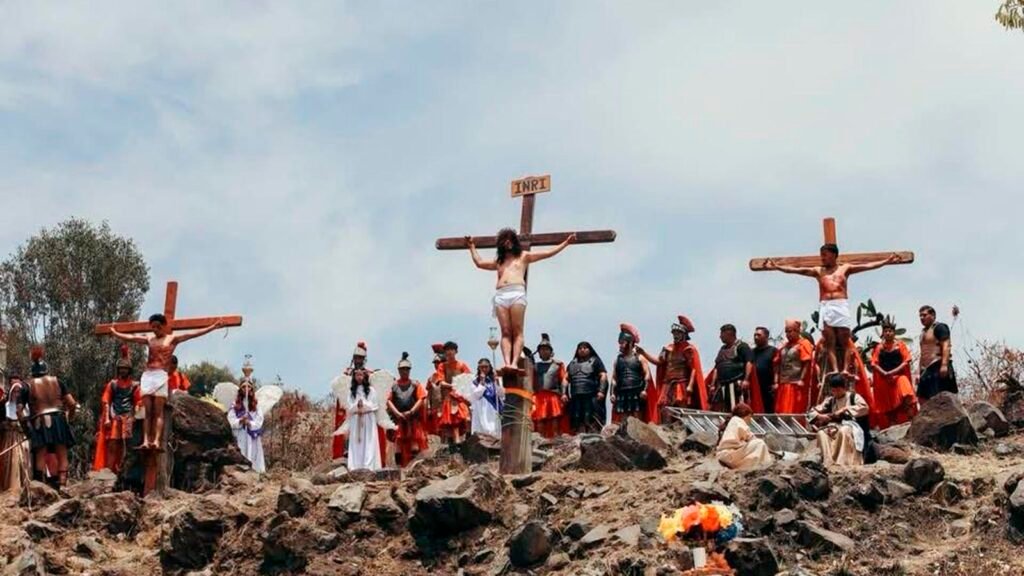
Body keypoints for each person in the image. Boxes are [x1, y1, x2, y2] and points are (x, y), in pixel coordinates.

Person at [763, 248, 901, 375]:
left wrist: (886, 261)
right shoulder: (818, 271)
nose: (822, 258)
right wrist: (777, 266)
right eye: (821, 255)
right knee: (830, 341)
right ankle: (835, 369)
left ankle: (845, 369)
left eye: (825, 255)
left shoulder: (845, 269)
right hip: (826, 305)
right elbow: (798, 270)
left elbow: (868, 266)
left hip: (840, 304)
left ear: (834, 255)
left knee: (845, 339)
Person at [466, 230, 576, 374]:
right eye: (504, 240)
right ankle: (507, 362)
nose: (507, 242)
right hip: (501, 294)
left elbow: (547, 253)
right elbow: (479, 263)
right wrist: (471, 246)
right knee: (505, 331)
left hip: (516, 292)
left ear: (514, 241)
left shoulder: (523, 256)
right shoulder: (499, 261)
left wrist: (566, 243)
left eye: (510, 239)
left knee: (517, 330)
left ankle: (514, 363)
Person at [108, 314, 224, 450]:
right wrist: (115, 333)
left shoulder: (172, 339)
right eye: (153, 327)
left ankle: (156, 441)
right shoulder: (150, 339)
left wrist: (212, 327)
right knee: (147, 412)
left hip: (161, 375)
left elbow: (193, 334)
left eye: (157, 327)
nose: (155, 329)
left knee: (158, 411)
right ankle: (146, 441)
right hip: (148, 375)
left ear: (163, 326)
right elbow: (132, 338)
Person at [18, 348, 79, 487]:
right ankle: (62, 485)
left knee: (41, 454)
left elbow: (18, 411)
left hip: (39, 421)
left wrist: (26, 429)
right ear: (46, 370)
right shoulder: (58, 381)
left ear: (33, 372)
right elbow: (72, 404)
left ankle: (40, 487)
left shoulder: (27, 386)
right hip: (59, 419)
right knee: (62, 453)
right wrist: (70, 418)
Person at [638, 316, 708, 423]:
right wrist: (644, 353)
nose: (675, 335)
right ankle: (666, 428)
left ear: (684, 334)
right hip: (667, 383)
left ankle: (684, 427)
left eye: (678, 333)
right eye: (674, 333)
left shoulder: (688, 349)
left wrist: (690, 385)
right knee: (664, 406)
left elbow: (694, 369)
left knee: (681, 406)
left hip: (681, 382)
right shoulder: (668, 348)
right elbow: (658, 362)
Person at [93, 347, 141, 474]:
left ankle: (126, 474)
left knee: (129, 447)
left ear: (129, 370)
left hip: (129, 418)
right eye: (121, 368)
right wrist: (107, 419)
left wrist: (134, 417)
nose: (123, 370)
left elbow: (138, 402)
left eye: (125, 368)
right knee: (112, 445)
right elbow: (106, 401)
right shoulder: (113, 384)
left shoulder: (135, 385)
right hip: (115, 418)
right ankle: (109, 472)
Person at [808, 373, 870, 467]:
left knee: (843, 431)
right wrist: (820, 416)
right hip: (834, 425)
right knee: (822, 433)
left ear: (844, 388)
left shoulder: (854, 397)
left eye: (838, 390)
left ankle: (844, 461)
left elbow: (865, 409)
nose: (836, 393)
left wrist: (845, 409)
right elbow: (811, 412)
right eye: (833, 390)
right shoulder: (830, 400)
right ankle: (828, 460)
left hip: (852, 426)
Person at [870, 321, 918, 428]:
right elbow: (874, 363)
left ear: (894, 333)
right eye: (886, 331)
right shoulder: (879, 348)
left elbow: (906, 361)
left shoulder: (900, 345)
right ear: (883, 333)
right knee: (889, 405)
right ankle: (892, 426)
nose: (888, 333)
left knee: (907, 395)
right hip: (885, 379)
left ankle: (912, 421)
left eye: (890, 331)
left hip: (899, 376)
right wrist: (884, 373)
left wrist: (892, 372)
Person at [706, 325, 764, 413]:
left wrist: (746, 380)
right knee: (723, 410)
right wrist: (713, 384)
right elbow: (717, 367)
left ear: (729, 334)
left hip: (736, 384)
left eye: (722, 334)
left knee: (738, 410)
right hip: (722, 385)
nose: (720, 337)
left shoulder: (742, 346)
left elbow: (749, 362)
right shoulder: (722, 349)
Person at [332, 342, 373, 460]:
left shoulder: (368, 374)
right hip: (351, 404)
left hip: (364, 405)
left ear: (364, 359)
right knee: (348, 427)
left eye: (360, 358)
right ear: (353, 358)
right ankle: (347, 451)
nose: (358, 360)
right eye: (356, 358)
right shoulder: (348, 373)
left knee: (364, 430)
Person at [387, 352, 428, 467]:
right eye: (402, 369)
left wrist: (412, 411)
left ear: (409, 370)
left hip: (413, 418)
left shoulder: (415, 384)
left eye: (407, 369)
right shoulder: (393, 385)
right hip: (398, 419)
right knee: (398, 443)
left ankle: (414, 467)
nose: (404, 371)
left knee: (414, 441)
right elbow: (389, 400)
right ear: (399, 371)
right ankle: (399, 468)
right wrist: (397, 413)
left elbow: (421, 398)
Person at [610, 324, 652, 423]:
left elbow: (647, 375)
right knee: (623, 421)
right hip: (622, 392)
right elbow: (614, 378)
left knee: (637, 419)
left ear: (630, 343)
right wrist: (612, 393)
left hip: (636, 392)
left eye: (622, 343)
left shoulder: (640, 358)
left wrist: (644, 390)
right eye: (620, 343)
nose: (620, 345)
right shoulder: (618, 360)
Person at [434, 341, 471, 445]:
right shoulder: (442, 366)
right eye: (447, 350)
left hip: (461, 397)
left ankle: (465, 442)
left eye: (451, 349)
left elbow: (469, 379)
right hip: (449, 398)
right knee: (453, 424)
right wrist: (453, 386)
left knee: (466, 420)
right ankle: (455, 446)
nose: (449, 352)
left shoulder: (462, 365)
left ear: (456, 351)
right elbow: (441, 382)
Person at [565, 342, 608, 433]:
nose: (582, 350)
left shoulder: (595, 361)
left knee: (590, 417)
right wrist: (564, 393)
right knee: (576, 417)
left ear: (590, 350)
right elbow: (565, 379)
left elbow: (603, 376)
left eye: (585, 348)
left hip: (591, 395)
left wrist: (601, 391)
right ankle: (579, 434)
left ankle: (591, 434)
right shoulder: (572, 363)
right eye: (580, 348)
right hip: (576, 396)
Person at [716, 403, 774, 470]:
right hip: (729, 455)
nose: (750, 420)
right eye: (750, 417)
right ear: (746, 416)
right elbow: (750, 437)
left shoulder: (732, 422)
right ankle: (766, 465)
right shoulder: (737, 420)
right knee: (760, 443)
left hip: (727, 454)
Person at [774, 320, 815, 414]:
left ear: (797, 331)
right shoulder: (784, 346)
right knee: (781, 410)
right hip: (783, 383)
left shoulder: (804, 344)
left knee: (794, 409)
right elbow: (776, 363)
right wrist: (776, 381)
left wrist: (802, 379)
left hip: (796, 384)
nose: (788, 334)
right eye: (786, 332)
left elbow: (807, 363)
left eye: (790, 331)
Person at [917, 305, 957, 401]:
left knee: (942, 399)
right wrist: (918, 372)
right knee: (923, 399)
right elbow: (923, 354)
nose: (922, 318)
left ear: (933, 315)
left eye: (924, 315)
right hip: (926, 370)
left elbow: (946, 345)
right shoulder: (923, 333)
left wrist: (944, 365)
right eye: (920, 316)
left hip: (938, 366)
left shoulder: (940, 327)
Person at [531, 334, 567, 438]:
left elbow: (563, 380)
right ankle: (540, 439)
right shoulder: (535, 366)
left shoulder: (557, 365)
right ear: (539, 352)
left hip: (553, 395)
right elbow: (532, 382)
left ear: (551, 351)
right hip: (539, 396)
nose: (544, 351)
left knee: (555, 418)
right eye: (542, 349)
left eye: (546, 349)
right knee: (540, 419)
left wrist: (564, 394)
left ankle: (555, 439)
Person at [227, 379, 266, 473]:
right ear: (240, 389)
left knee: (253, 454)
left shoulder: (256, 405)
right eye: (244, 387)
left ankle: (256, 472)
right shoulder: (235, 404)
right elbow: (230, 420)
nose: (246, 389)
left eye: (248, 387)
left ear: (251, 389)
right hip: (240, 434)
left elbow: (259, 420)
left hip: (252, 435)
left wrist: (249, 423)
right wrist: (240, 420)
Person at [346, 368, 381, 471]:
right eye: (357, 375)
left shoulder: (371, 390)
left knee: (369, 443)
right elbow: (349, 406)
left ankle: (368, 467)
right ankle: (355, 467)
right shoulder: (351, 392)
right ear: (354, 377)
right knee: (356, 443)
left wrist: (364, 405)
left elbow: (375, 405)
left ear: (365, 376)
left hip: (368, 419)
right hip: (356, 418)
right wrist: (357, 406)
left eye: (361, 375)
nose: (359, 377)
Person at [0, 374, 29, 492]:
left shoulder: (26, 406)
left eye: (18, 391)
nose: (16, 394)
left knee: (24, 461)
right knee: (9, 462)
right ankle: (9, 487)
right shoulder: (4, 406)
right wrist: (7, 425)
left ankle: (25, 486)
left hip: (22, 438)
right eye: (14, 391)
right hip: (8, 439)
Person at [469, 358, 504, 439]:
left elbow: (501, 394)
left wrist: (497, 383)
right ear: (479, 368)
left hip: (493, 409)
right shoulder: (475, 381)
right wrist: (482, 382)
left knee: (494, 430)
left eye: (486, 367)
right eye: (482, 367)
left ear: (490, 367)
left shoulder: (494, 380)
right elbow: (476, 395)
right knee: (482, 430)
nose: (484, 369)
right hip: (481, 410)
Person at [752, 327, 778, 413]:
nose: (756, 337)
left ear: (766, 336)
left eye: (759, 335)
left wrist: (776, 383)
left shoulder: (773, 351)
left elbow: (777, 368)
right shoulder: (751, 352)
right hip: (755, 388)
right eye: (755, 335)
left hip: (769, 389)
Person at [424, 343, 445, 437]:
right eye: (435, 363)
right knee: (437, 430)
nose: (436, 365)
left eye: (438, 362)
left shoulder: (448, 375)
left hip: (446, 406)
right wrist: (428, 408)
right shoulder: (431, 378)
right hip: (435, 408)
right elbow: (428, 395)